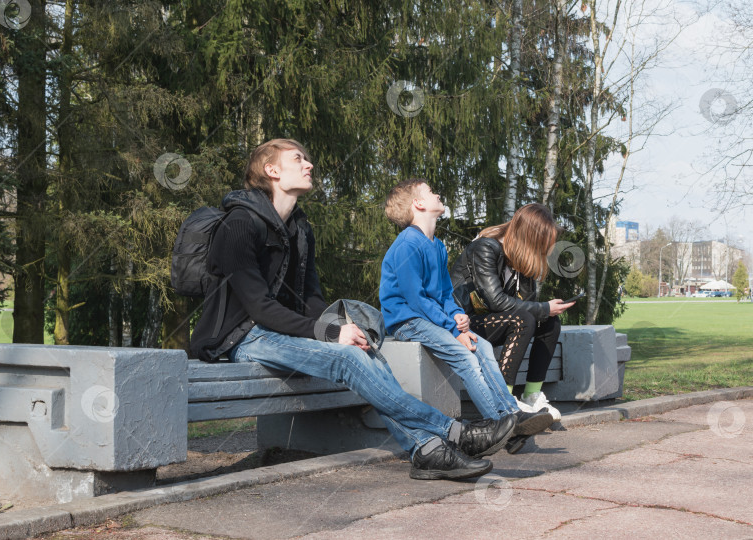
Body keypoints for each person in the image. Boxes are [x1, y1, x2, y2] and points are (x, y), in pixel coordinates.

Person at [189, 139, 517, 481]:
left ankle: (427, 451)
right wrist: (331, 334)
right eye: (298, 159)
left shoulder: (299, 228)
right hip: (242, 336)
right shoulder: (239, 224)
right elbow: (258, 306)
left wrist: (341, 327)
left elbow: (311, 297)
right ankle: (454, 433)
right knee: (348, 358)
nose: (309, 165)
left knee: (366, 351)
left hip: (282, 330)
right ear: (271, 171)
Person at [379, 179, 554, 453]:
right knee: (464, 355)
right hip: (407, 321)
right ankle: (499, 424)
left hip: (430, 317)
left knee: (481, 346)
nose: (438, 193)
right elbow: (416, 298)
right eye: (431, 191)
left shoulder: (436, 245)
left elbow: (446, 292)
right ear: (419, 204)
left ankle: (512, 418)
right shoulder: (408, 244)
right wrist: (452, 327)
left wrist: (458, 315)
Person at [450, 203, 574, 423]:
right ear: (530, 237)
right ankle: (504, 399)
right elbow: (495, 300)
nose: (545, 250)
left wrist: (546, 311)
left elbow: (528, 303)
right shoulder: (486, 247)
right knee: (525, 318)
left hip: (492, 321)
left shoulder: (519, 258)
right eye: (543, 244)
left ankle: (532, 395)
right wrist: (544, 307)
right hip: (463, 324)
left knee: (549, 322)